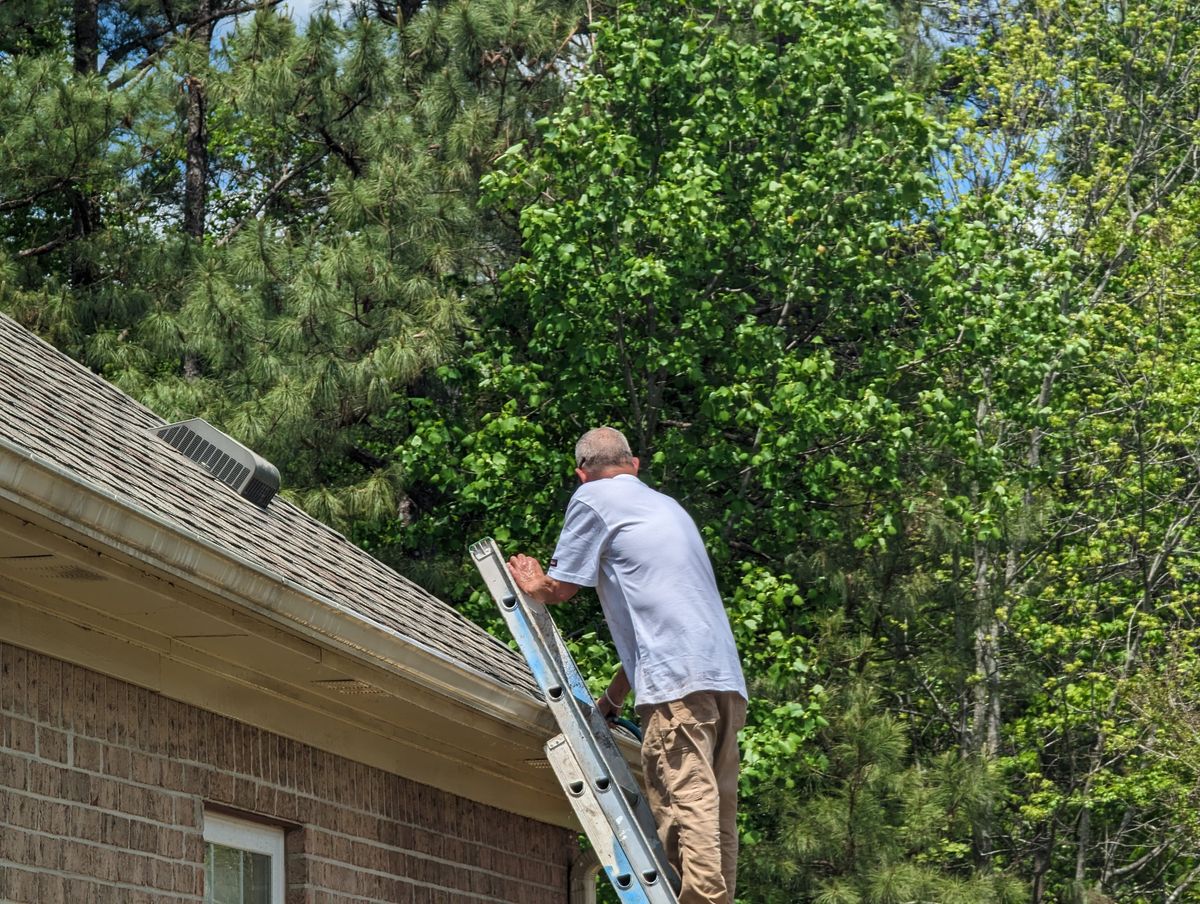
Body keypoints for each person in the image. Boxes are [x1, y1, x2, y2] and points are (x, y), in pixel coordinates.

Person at [508, 426, 748, 904]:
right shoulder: (666, 508)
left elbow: (560, 589)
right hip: (720, 677)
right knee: (714, 808)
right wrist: (613, 698)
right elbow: (655, 624)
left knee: (688, 800)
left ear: (582, 475)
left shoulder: (594, 498)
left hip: (675, 685)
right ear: (634, 464)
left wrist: (534, 583)